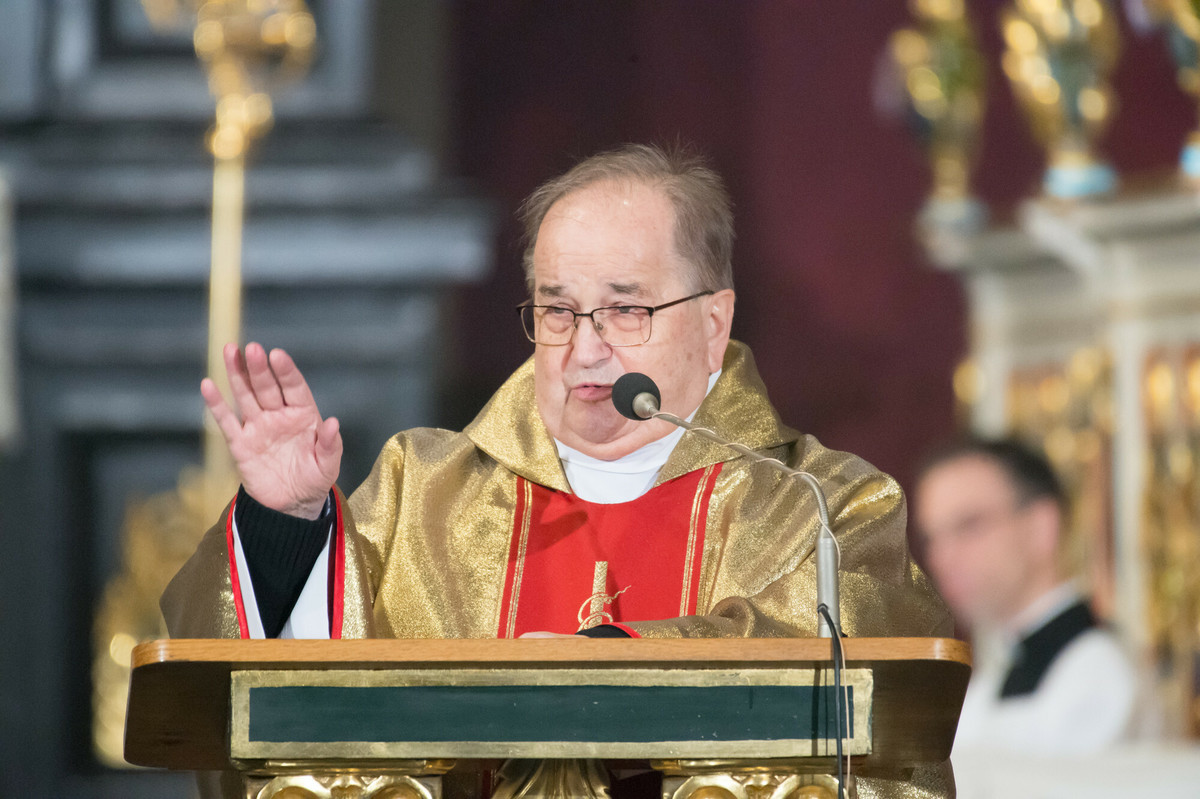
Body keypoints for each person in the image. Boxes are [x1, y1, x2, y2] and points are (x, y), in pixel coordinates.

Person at [163, 143, 953, 796]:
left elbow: (873, 701)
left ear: (714, 323)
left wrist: (608, 658)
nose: (584, 348)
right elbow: (282, 722)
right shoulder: (423, 487)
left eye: (624, 309)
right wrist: (287, 524)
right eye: (557, 309)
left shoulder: (821, 503)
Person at [913, 437, 1137, 759]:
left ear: (1041, 525)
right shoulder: (992, 678)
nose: (941, 557)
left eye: (969, 525)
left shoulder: (1098, 675)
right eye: (932, 537)